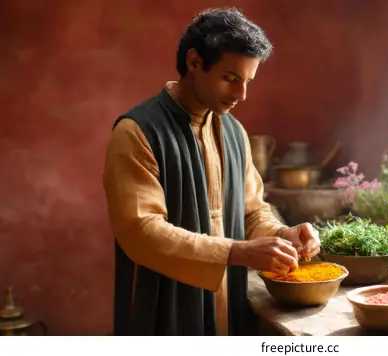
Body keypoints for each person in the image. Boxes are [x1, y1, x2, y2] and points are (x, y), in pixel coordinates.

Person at [102, 7, 320, 336]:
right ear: (194, 62)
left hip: (229, 304)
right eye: (231, 79)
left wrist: (280, 235)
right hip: (164, 309)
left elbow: (251, 212)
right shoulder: (137, 132)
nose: (241, 95)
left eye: (247, 82)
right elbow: (141, 232)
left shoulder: (234, 133)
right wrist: (237, 251)